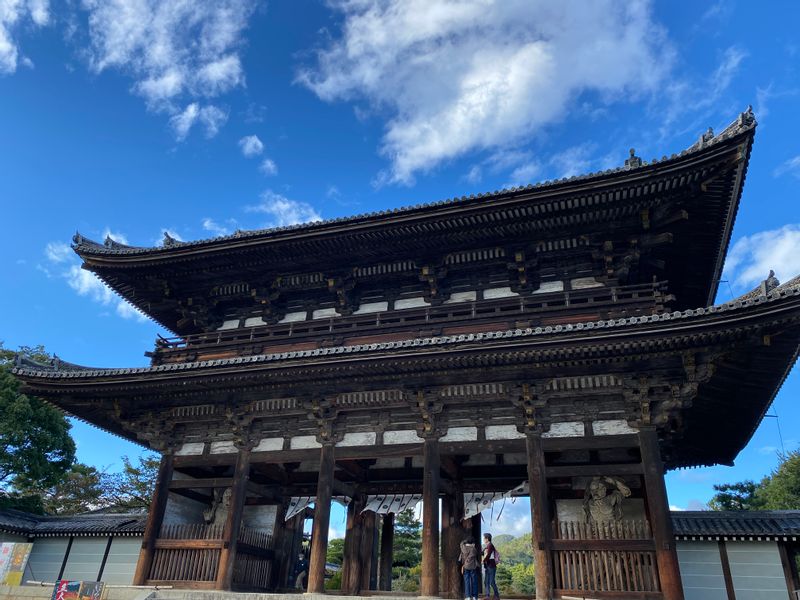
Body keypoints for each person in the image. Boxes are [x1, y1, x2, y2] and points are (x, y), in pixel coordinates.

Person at [482, 533, 500, 600]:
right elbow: (482, 553)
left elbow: (488, 555)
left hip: (491, 566)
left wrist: (483, 561)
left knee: (492, 581)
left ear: (487, 538)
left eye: (484, 538)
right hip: (487, 566)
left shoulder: (490, 545)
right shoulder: (487, 546)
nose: (483, 539)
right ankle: (487, 596)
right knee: (486, 581)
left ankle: (497, 596)